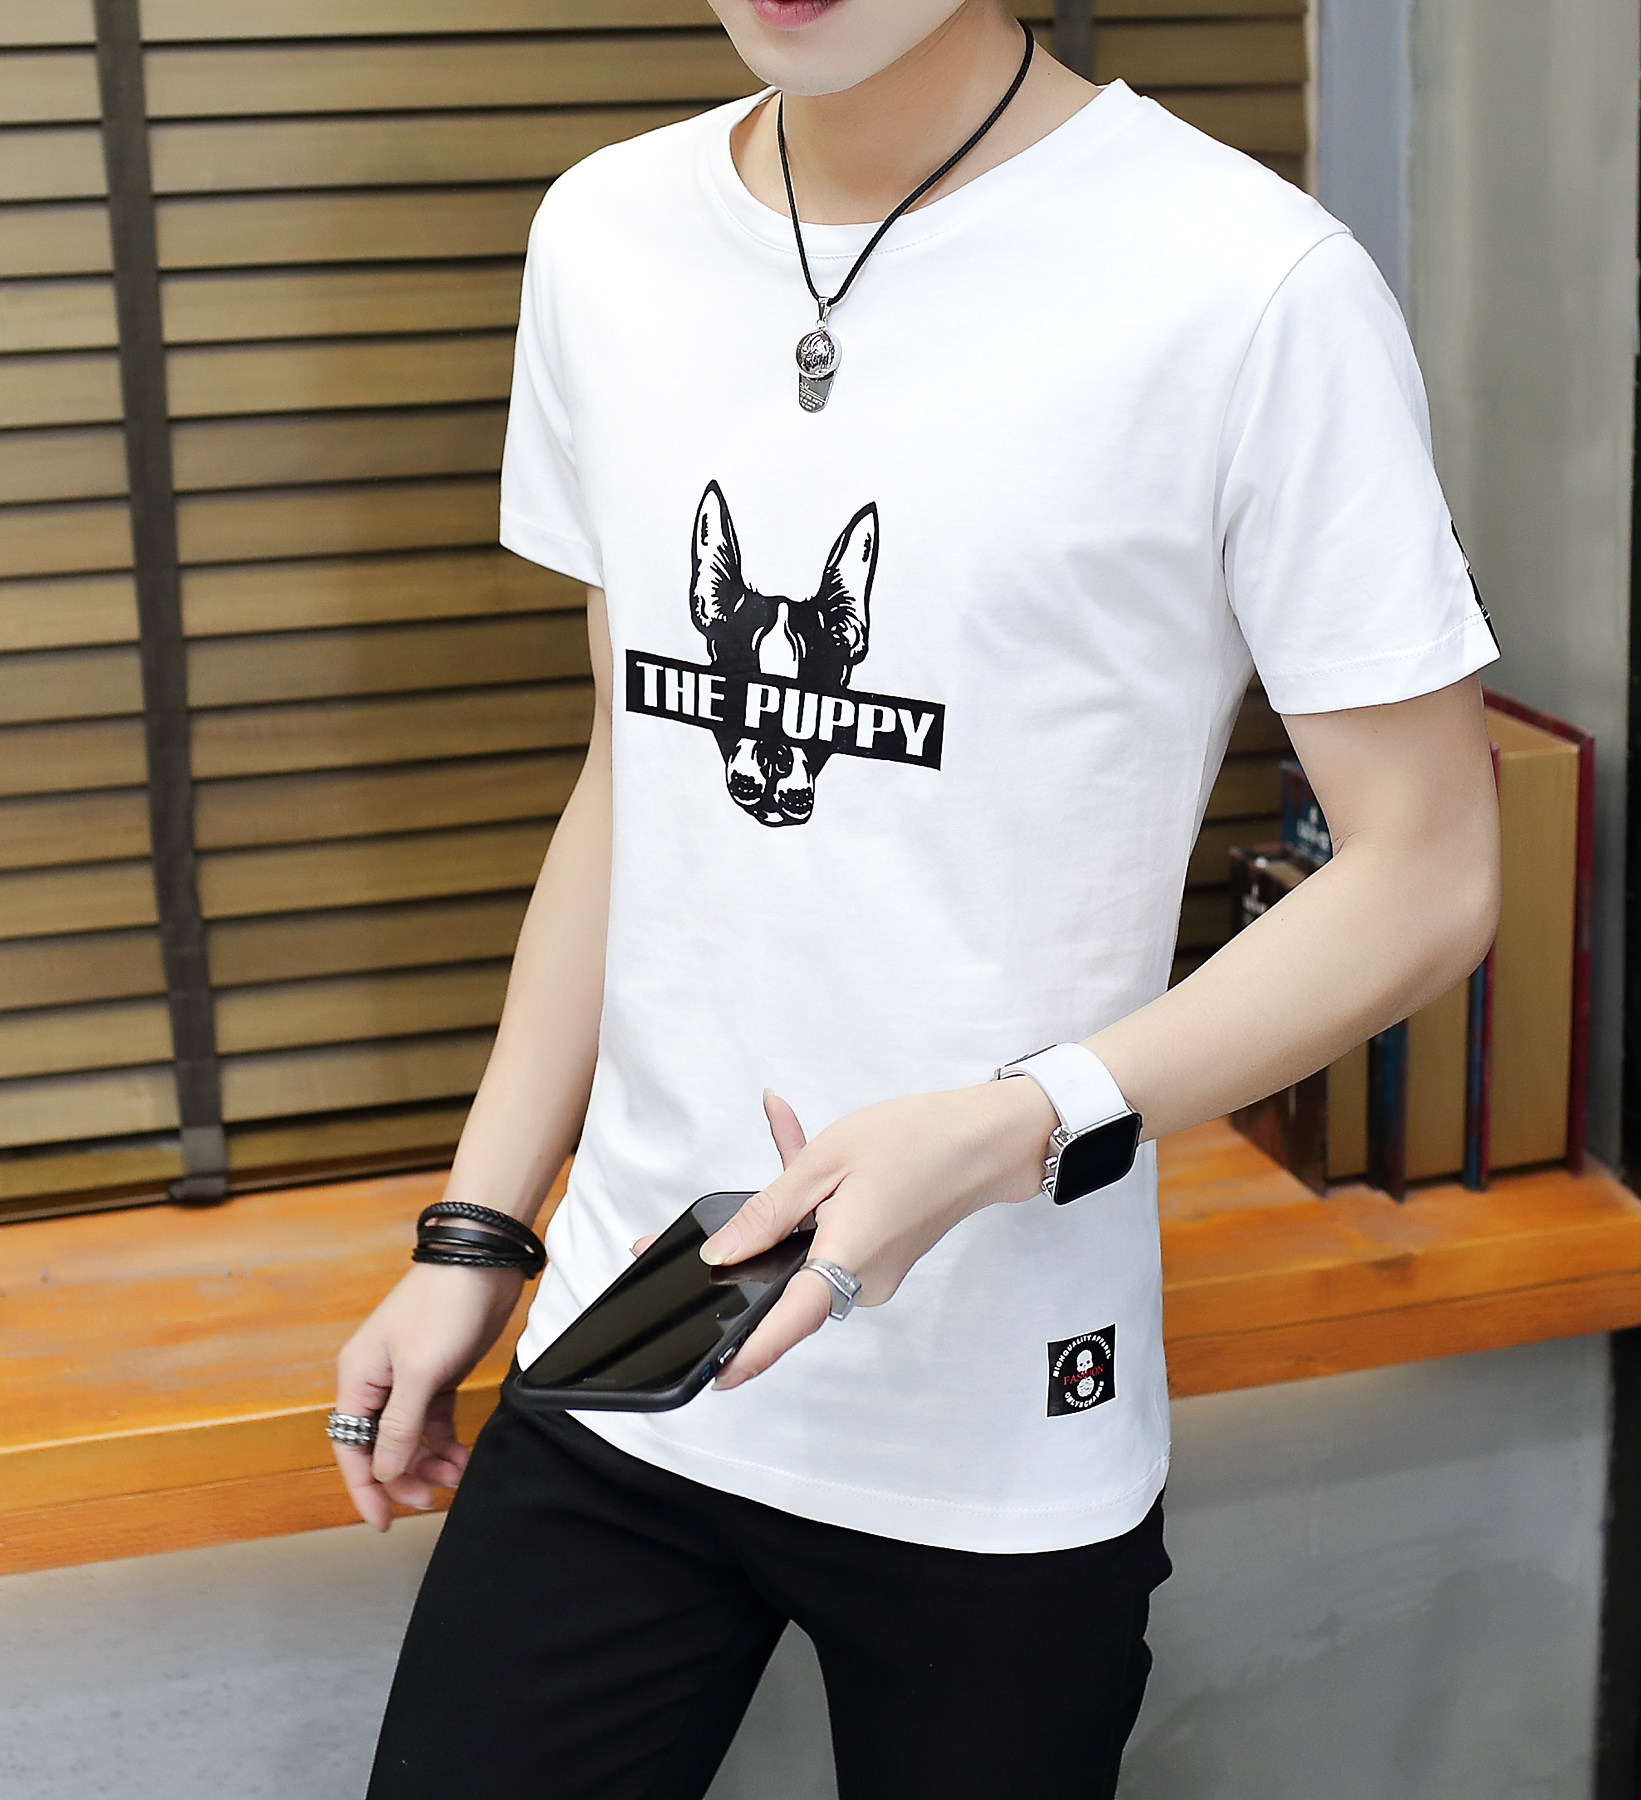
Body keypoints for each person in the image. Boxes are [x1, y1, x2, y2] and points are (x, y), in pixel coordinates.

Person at [334, 2, 1503, 1794]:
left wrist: (1013, 1125)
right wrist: (479, 1228)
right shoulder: (607, 234)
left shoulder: (1249, 285)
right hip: (637, 1336)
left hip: (996, 1419)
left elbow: (1429, 871)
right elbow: (639, 766)